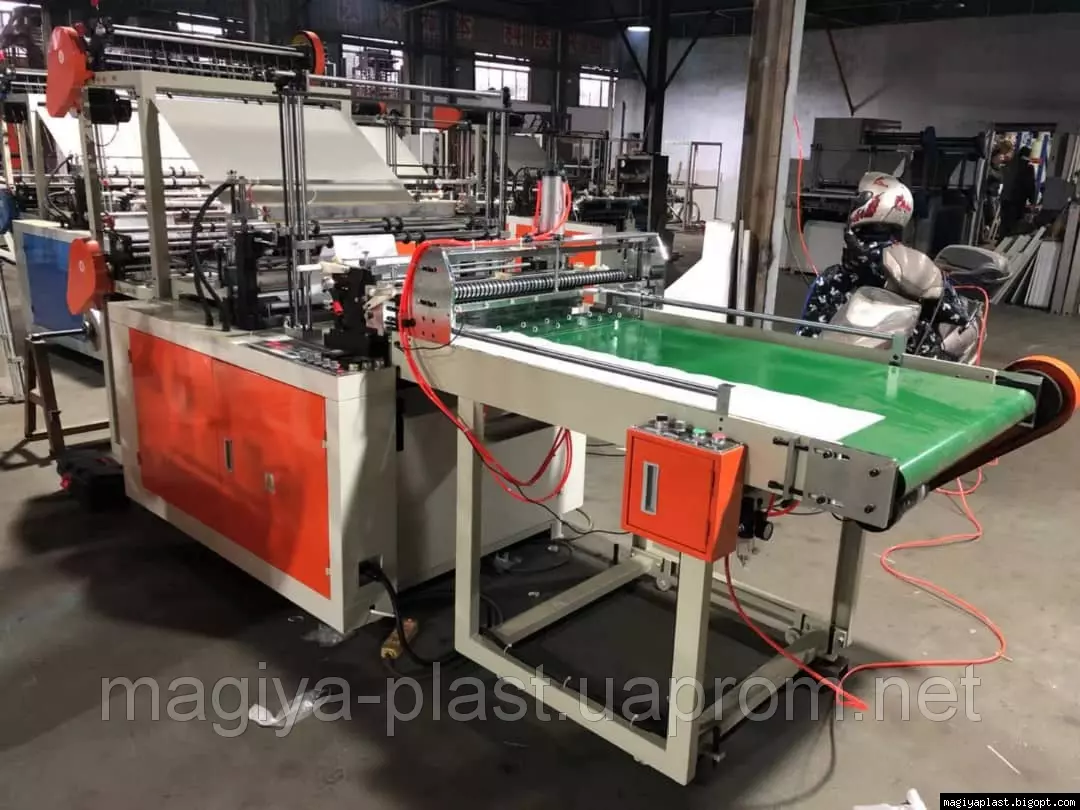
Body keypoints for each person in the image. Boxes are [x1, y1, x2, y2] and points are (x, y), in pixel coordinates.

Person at [799, 171, 980, 361]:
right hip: (901, 367)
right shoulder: (914, 266)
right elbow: (958, 315)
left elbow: (805, 339)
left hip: (838, 365)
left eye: (860, 198)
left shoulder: (836, 277)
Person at [1000, 145, 1037, 236]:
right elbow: (1030, 185)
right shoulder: (1028, 168)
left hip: (1005, 199)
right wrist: (1032, 200)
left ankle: (1002, 237)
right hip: (1018, 200)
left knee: (1004, 222)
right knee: (1014, 224)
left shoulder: (1010, 164)